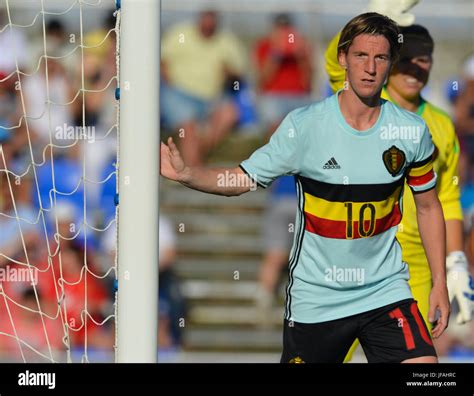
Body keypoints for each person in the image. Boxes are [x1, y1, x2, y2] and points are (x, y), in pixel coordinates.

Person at [161, 12, 449, 363]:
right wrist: (188, 173)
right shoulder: (305, 127)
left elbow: (430, 207)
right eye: (361, 56)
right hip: (318, 299)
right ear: (343, 58)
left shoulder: (411, 131)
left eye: (381, 58)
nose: (370, 68)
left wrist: (440, 282)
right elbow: (242, 178)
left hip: (384, 292)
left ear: (391, 64)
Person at [325, 19, 474, 362]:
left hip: (415, 267)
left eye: (425, 58)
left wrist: (455, 263)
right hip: (351, 258)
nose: (415, 66)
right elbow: (335, 60)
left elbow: (448, 199)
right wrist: (373, 13)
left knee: (416, 363)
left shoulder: (440, 124)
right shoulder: (357, 98)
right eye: (406, 56)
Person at [161, 10, 247, 166]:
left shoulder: (227, 41)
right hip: (178, 93)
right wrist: (169, 84)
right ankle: (194, 170)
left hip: (212, 98)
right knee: (189, 127)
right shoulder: (180, 34)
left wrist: (229, 73)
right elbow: (162, 61)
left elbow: (238, 73)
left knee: (229, 113)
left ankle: (190, 166)